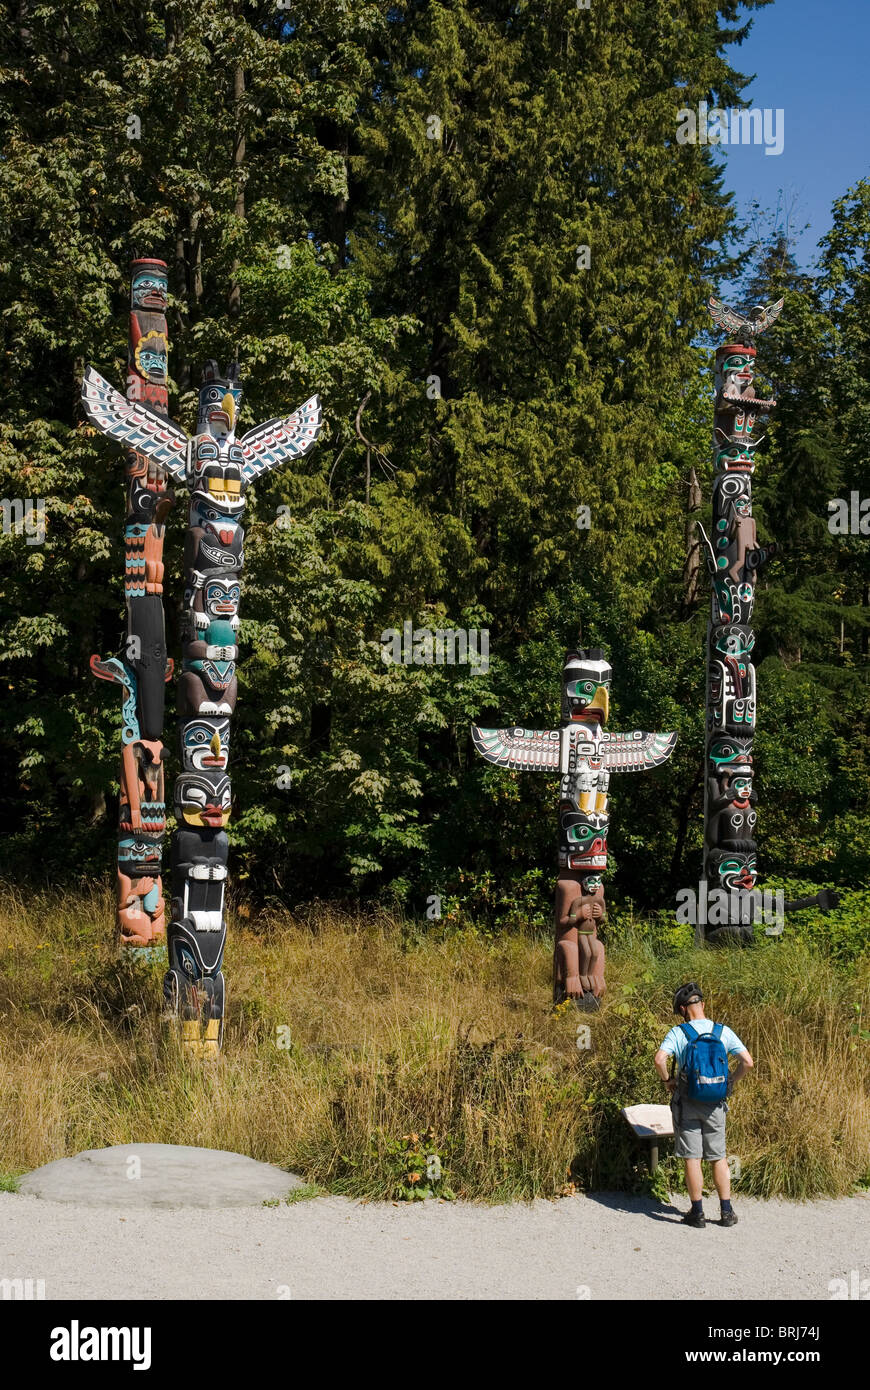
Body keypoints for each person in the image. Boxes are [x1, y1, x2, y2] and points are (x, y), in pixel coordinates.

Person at [654, 981, 753, 1228]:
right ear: (703, 1004)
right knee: (718, 1156)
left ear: (681, 1010)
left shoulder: (679, 1033)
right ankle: (726, 1212)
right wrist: (730, 1082)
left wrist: (668, 1080)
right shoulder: (722, 1031)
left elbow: (659, 1059)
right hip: (716, 1104)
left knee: (692, 1157)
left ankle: (697, 1213)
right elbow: (748, 1062)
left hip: (687, 1102)